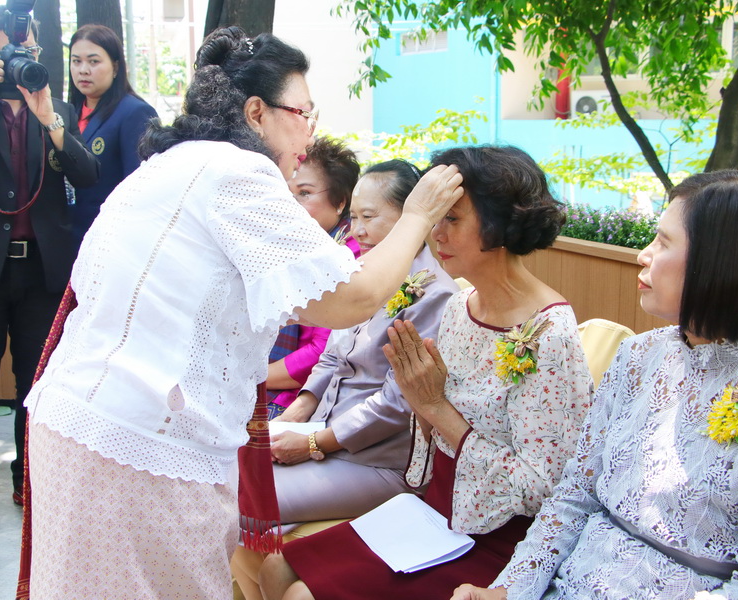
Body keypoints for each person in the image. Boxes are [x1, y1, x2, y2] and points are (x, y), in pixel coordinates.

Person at [19, 26, 462, 600]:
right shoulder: (237, 173)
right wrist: (418, 216)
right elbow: (353, 297)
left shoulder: (170, 165)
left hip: (80, 422)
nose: (310, 131)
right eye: (303, 113)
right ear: (257, 113)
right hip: (141, 445)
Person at [451, 170, 738, 600]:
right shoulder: (638, 355)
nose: (643, 255)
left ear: (723, 261)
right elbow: (574, 495)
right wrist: (508, 591)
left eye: (663, 243)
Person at [258, 145, 593, 600]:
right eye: (436, 218)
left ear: (500, 225)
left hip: (498, 536)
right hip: (435, 508)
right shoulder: (460, 307)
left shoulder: (549, 335)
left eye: (451, 219)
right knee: (276, 567)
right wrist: (422, 406)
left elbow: (542, 489)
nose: (435, 233)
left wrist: (431, 406)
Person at [232, 158, 459, 600]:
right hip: (326, 431)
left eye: (369, 217)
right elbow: (332, 356)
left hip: (378, 459)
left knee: (239, 500)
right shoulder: (365, 274)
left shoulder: (436, 295)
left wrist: (315, 443)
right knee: (229, 466)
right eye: (354, 217)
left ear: (412, 215)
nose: (357, 230)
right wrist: (296, 415)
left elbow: (400, 402)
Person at [0, 8, 99, 507]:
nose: (19, 60)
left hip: (42, 270)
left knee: (35, 382)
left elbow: (86, 174)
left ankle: (29, 479)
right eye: (8, 52)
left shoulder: (53, 109)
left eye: (27, 50)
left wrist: (50, 121)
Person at [266, 135, 361, 419]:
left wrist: (251, 376)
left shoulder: (349, 253)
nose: (291, 203)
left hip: (299, 398)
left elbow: (322, 349)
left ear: (340, 202)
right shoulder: (293, 244)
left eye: (304, 193)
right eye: (287, 193)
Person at [67, 24, 158, 244]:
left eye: (94, 61)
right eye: (76, 61)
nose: (83, 70)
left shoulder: (134, 113)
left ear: (115, 67)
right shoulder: (66, 113)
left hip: (107, 239)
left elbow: (139, 190)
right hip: (65, 239)